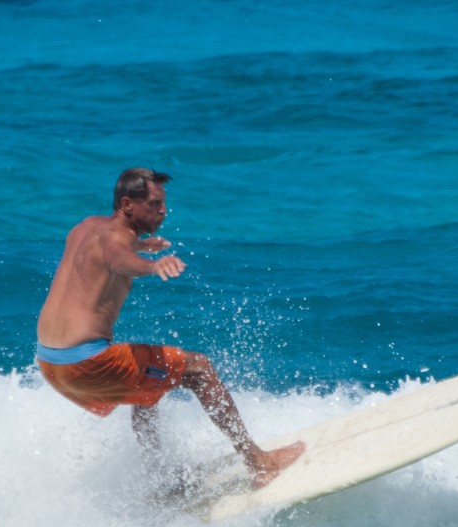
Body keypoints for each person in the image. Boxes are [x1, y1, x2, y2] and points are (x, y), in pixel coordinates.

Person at [36, 167, 304, 488]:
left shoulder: (86, 228)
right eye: (153, 203)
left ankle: (160, 478)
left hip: (52, 365)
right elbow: (117, 258)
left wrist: (140, 246)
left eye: (163, 203)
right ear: (126, 204)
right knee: (199, 369)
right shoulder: (117, 240)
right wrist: (152, 265)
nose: (163, 210)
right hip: (87, 364)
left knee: (149, 381)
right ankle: (258, 462)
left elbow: (107, 250)